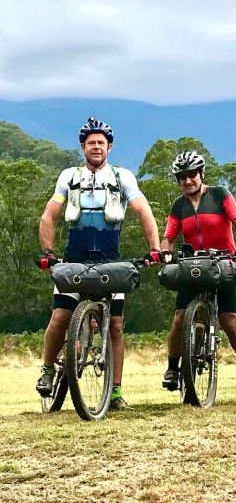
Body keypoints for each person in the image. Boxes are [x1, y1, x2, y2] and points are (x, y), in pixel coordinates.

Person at [36, 117, 162, 411]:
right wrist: (48, 252)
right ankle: (47, 368)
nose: (96, 147)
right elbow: (49, 215)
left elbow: (143, 212)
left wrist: (155, 249)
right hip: (74, 259)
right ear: (83, 147)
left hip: (110, 261)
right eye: (91, 143)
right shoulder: (69, 176)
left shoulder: (123, 177)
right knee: (59, 317)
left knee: (116, 325)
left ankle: (115, 392)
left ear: (110, 147)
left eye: (101, 143)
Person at [159, 151, 236, 400]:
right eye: (181, 177)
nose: (187, 181)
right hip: (193, 266)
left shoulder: (219, 194)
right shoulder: (179, 205)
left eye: (191, 175)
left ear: (201, 174)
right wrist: (165, 254)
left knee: (229, 321)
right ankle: (173, 368)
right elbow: (168, 238)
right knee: (179, 317)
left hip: (224, 264)